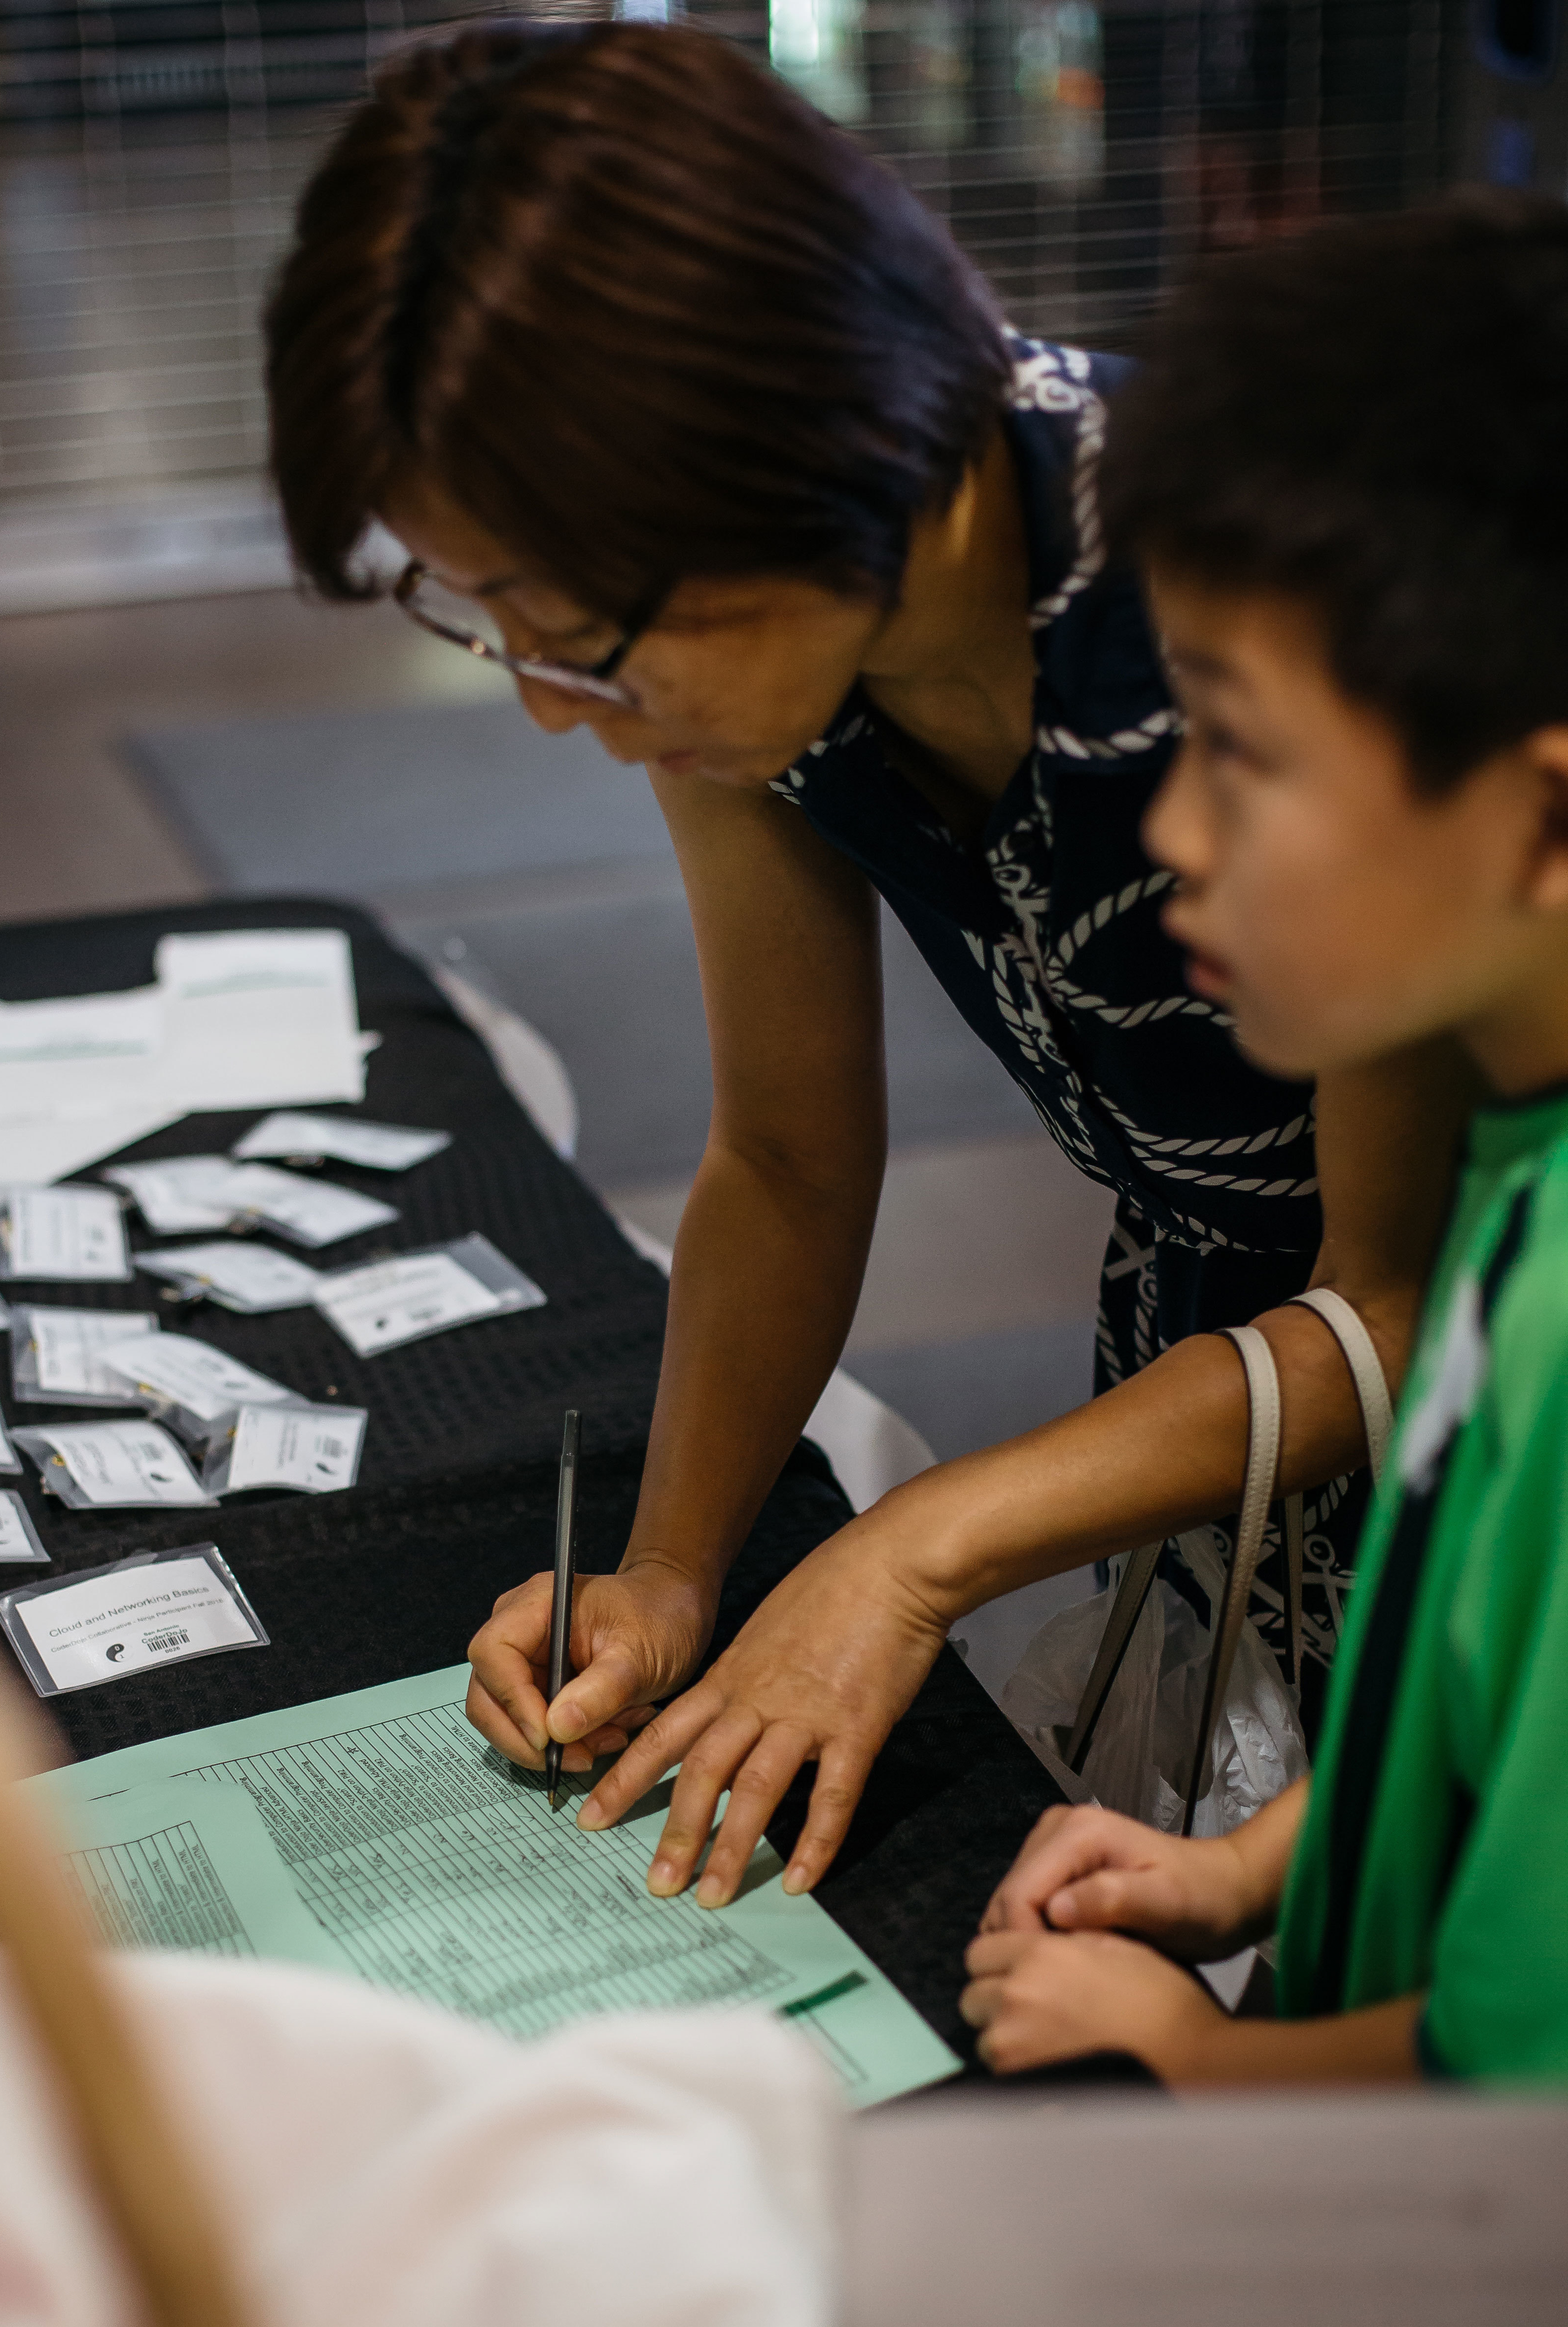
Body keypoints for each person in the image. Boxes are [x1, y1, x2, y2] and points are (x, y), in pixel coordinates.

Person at [265, 18, 1466, 1908]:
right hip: (1216, 1404)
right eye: (496, 629)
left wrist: (911, 1547)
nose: (568, 716)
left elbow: (1405, 1300)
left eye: (584, 638)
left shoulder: (1260, 592)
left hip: (1476, 1435)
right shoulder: (772, 664)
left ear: (799, 458)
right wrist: (672, 1565)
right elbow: (789, 1156)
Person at [963, 194, 1568, 2083]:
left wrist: (1192, 2060)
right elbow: (1473, 1719)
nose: (1174, 838)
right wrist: (1244, 1881)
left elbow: (1517, 2105)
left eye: (1240, 749)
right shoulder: (1509, 1158)